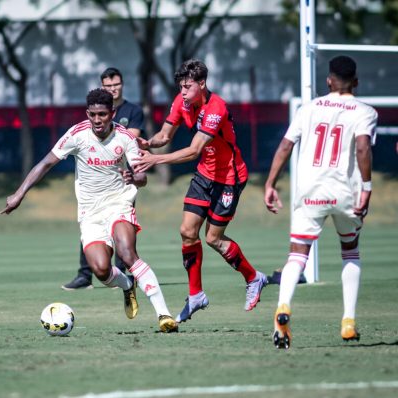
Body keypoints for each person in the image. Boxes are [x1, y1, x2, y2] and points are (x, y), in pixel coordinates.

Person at [0, 88, 178, 333]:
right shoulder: (77, 134)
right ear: (87, 113)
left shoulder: (125, 137)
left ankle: (164, 315)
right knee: (101, 269)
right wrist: (19, 194)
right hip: (90, 213)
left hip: (119, 203)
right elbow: (46, 163)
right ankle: (128, 286)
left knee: (127, 253)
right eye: (93, 114)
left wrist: (134, 178)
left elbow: (143, 176)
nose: (97, 120)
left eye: (102, 114)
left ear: (111, 113)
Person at [133, 59, 268, 323]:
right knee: (186, 231)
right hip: (204, 176)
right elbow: (165, 135)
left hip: (229, 178)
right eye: (180, 87)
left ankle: (254, 278)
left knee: (214, 239)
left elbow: (194, 149)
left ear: (202, 84)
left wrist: (154, 159)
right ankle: (196, 295)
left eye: (187, 86)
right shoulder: (181, 102)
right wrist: (148, 143)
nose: (182, 92)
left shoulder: (216, 108)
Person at [264, 55, 377, 349]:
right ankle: (348, 321)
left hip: (310, 192)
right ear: (356, 82)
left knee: (297, 255)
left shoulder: (308, 108)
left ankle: (283, 307)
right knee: (350, 251)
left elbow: (286, 145)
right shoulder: (365, 111)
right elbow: (363, 146)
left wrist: (270, 183)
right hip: (345, 193)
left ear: (328, 81)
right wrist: (366, 187)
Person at [62, 67, 146, 291]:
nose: (113, 88)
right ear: (102, 87)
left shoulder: (133, 111)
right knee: (91, 228)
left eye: (116, 84)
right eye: (108, 86)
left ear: (122, 84)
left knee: (122, 235)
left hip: (122, 180)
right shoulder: (93, 115)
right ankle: (85, 275)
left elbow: (131, 139)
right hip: (94, 180)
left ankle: (125, 275)